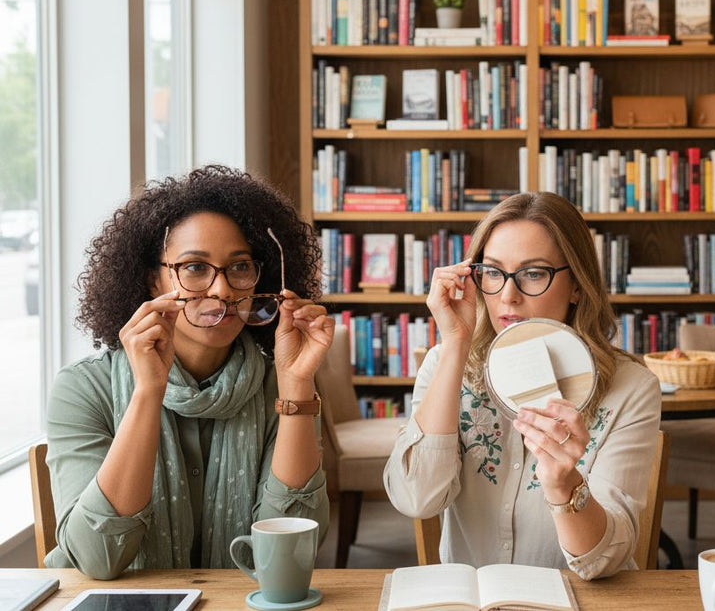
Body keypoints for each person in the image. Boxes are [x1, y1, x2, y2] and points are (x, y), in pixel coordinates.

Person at [46, 165, 332, 579]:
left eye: (240, 267)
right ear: (152, 282)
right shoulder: (84, 388)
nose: (222, 290)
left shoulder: (282, 383)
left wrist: (297, 387)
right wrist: (148, 391)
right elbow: (97, 558)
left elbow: (292, 551)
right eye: (194, 268)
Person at [384, 192, 661, 580]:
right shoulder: (448, 363)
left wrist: (564, 487)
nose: (508, 296)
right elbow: (417, 499)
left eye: (533, 273)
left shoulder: (631, 388)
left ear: (578, 285)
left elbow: (603, 561)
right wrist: (455, 345)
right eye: (493, 273)